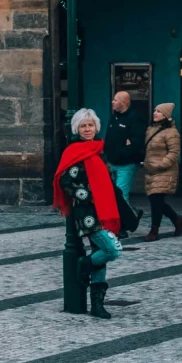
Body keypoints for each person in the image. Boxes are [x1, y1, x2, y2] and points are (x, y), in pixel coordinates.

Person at [53, 107, 124, 319]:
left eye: (90, 125)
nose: (87, 129)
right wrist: (88, 195)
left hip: (105, 209)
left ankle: (97, 305)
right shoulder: (74, 152)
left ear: (96, 127)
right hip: (88, 212)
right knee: (111, 250)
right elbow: (65, 180)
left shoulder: (99, 150)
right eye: (83, 126)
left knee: (100, 255)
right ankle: (84, 264)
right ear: (77, 128)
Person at [102, 89, 148, 235]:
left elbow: (136, 143)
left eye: (115, 100)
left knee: (121, 195)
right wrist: (108, 158)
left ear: (124, 102)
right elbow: (109, 139)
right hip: (112, 163)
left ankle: (122, 227)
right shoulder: (113, 118)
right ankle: (133, 212)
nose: (112, 102)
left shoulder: (135, 119)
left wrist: (121, 153)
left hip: (126, 164)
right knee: (113, 196)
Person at [141, 102, 182, 241]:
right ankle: (176, 219)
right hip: (150, 170)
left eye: (159, 111)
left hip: (164, 170)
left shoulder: (172, 132)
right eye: (154, 110)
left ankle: (154, 231)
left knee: (156, 200)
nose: (155, 113)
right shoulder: (150, 129)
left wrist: (161, 164)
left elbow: (174, 153)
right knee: (156, 200)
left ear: (165, 115)